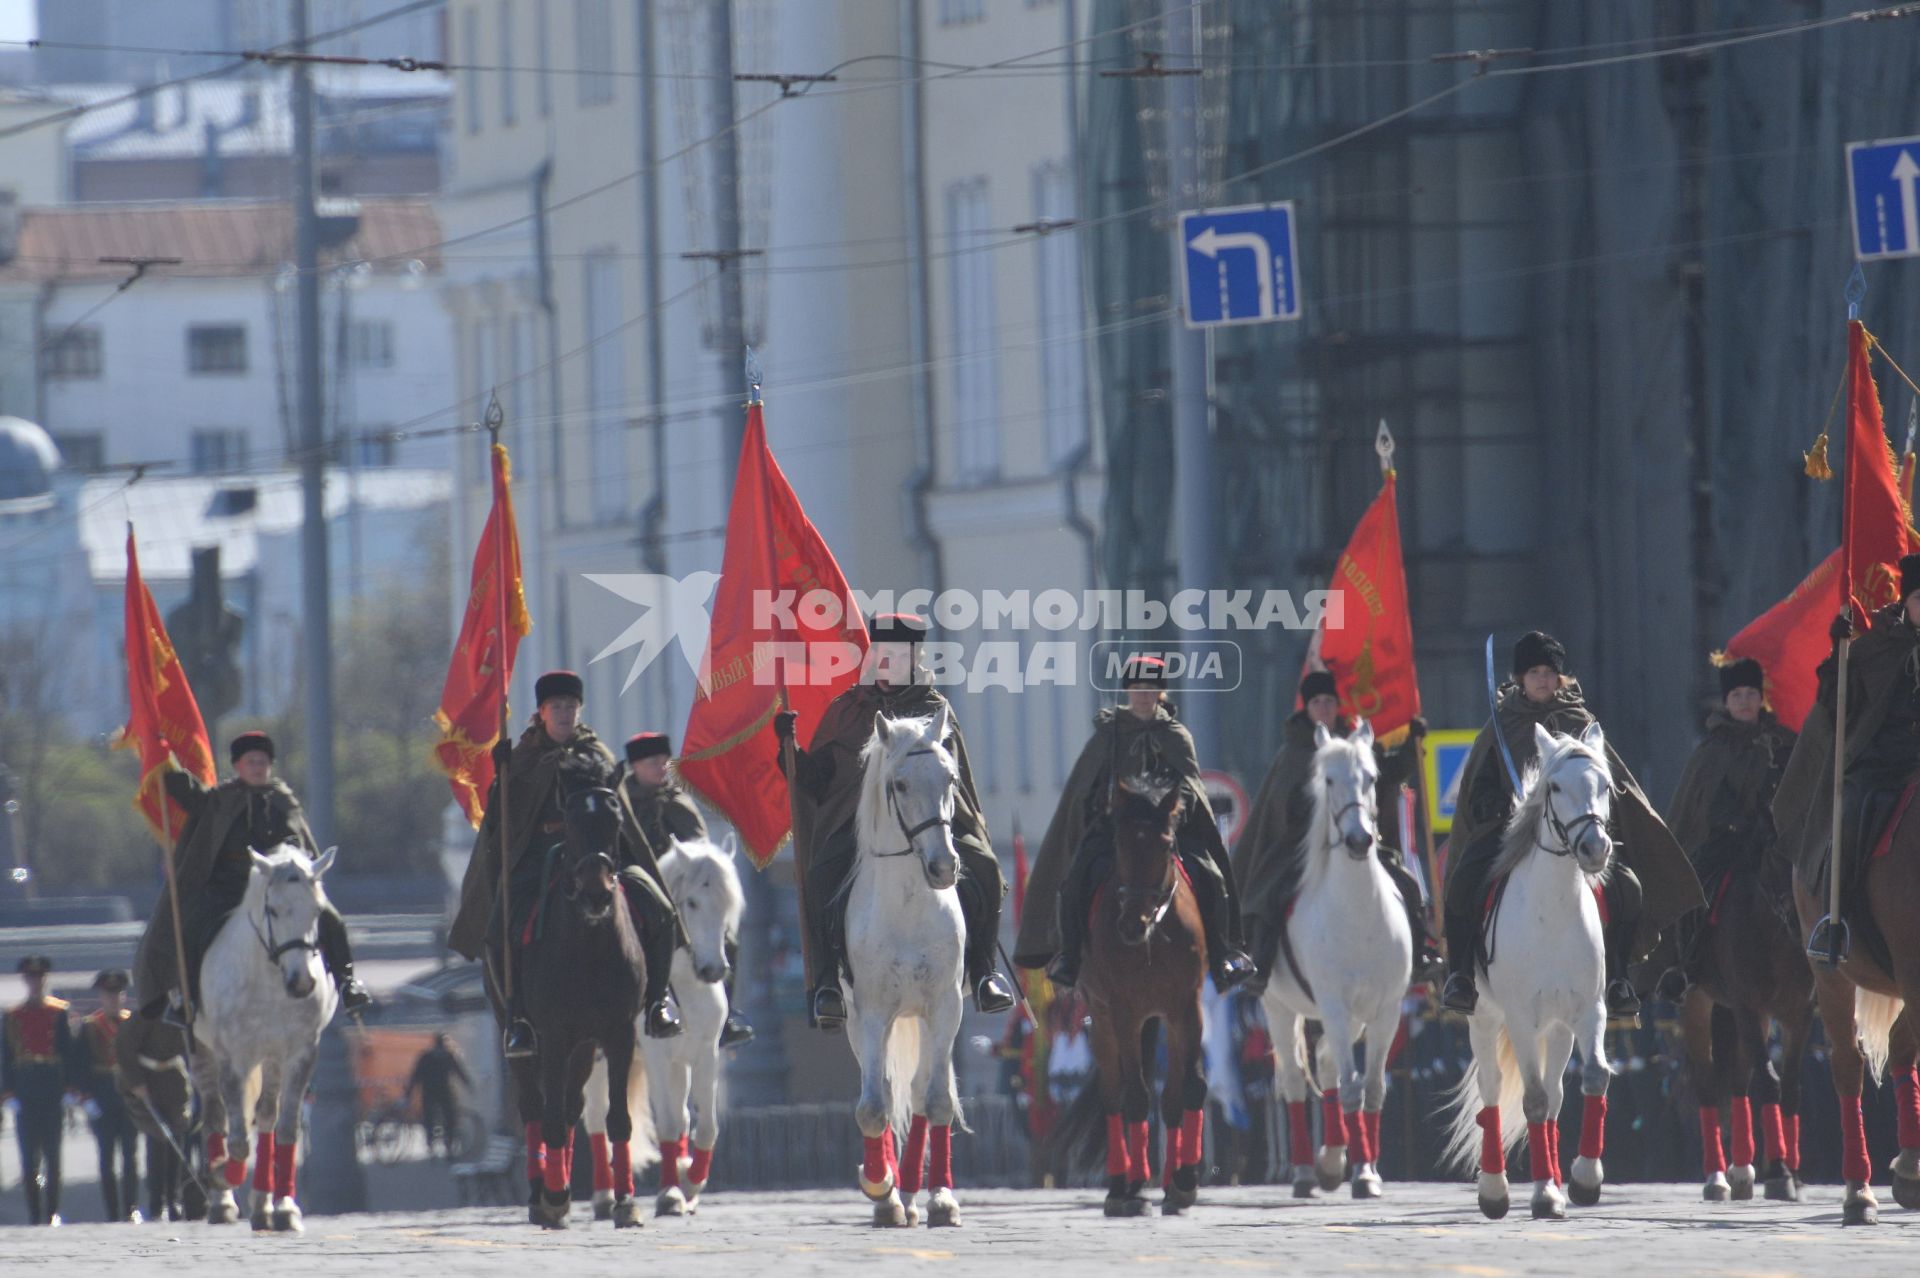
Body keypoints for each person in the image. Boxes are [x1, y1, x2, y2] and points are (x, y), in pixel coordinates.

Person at [1439, 632, 1702, 1019]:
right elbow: (1479, 785)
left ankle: (1616, 979)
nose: (1543, 679)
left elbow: (1609, 782)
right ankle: (1460, 975)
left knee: (1627, 888)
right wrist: (1492, 804)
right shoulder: (1500, 725)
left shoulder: (1581, 722)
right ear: (1520, 678)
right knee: (1463, 881)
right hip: (1509, 830)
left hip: (1575, 832)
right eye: (1534, 672)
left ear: (1560, 678)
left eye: (1549, 672)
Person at [776, 612, 1015, 1030]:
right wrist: (790, 750)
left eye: (897, 655)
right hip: (860, 826)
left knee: (988, 870)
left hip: (933, 820)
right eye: (881, 654)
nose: (888, 663)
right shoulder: (847, 710)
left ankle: (983, 973)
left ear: (913, 658)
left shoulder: (935, 709)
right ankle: (829, 983)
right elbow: (817, 784)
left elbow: (957, 780)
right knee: (818, 879)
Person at [450, 670, 684, 1057]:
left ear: (580, 710)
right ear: (541, 712)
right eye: (556, 707)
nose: (564, 713)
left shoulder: (598, 754)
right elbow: (501, 818)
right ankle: (518, 1018)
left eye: (571, 706)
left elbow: (617, 813)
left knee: (660, 908)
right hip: (538, 856)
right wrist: (502, 777)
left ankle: (657, 1003)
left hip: (600, 858)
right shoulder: (522, 757)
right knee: (497, 925)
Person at [1013, 654, 1255, 992]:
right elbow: (1085, 789)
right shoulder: (1107, 736)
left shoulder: (1176, 736)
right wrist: (1106, 805)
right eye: (1137, 687)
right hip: (1115, 835)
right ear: (1129, 691)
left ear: (1160, 692)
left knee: (1211, 876)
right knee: (1076, 879)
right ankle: (1069, 955)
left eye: (1150, 688)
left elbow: (1190, 786)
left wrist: (1173, 809)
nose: (1143, 694)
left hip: (1168, 833)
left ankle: (1223, 953)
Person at [132, 730, 370, 1023]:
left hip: (276, 887)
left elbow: (298, 843)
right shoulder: (221, 799)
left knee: (331, 918)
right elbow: (190, 796)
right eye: (251, 762)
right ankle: (187, 997)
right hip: (228, 888)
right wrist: (161, 759)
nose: (258, 768)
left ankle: (348, 984)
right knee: (190, 925)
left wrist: (289, 859)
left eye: (262, 762)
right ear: (238, 766)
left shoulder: (283, 801)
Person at [1233, 670, 1444, 991]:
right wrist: (1308, 808)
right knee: (1270, 891)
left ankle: (1417, 956)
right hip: (1302, 844)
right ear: (1307, 707)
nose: (1324, 707)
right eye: (1317, 702)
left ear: (1337, 705)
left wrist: (1410, 745)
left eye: (1329, 701)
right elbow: (1279, 803)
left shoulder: (1355, 744)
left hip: (1355, 838)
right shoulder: (1295, 751)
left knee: (1405, 883)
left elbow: (1384, 776)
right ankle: (1259, 961)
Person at [1774, 554, 1920, 946]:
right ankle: (1837, 922)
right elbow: (1837, 702)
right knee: (1849, 818)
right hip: (1882, 765)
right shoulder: (1878, 645)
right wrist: (1840, 655)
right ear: (1906, 601)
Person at [1658, 658, 1796, 998]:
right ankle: (1687, 963)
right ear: (1726, 701)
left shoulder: (1783, 742)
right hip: (1727, 845)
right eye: (1737, 695)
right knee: (1699, 890)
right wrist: (1732, 819)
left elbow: (1799, 788)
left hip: (1777, 842)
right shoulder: (1711, 751)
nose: (1745, 701)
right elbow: (1698, 804)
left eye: (1751, 693)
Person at [621, 731, 752, 1049]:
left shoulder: (678, 803)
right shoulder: (620, 803)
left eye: (665, 762)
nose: (662, 769)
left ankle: (725, 1014)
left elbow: (701, 850)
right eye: (653, 763)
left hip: (681, 897)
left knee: (727, 937)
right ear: (635, 766)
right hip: (632, 892)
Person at [2, 955, 72, 1225]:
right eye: (31, 978)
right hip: (25, 1085)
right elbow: (6, 1057)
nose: (35, 982)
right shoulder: (12, 1015)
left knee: (53, 1155)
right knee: (29, 1155)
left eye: (39, 977)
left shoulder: (59, 1012)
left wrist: (69, 1088)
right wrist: (7, 1094)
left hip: (52, 1085)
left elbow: (67, 1053)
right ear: (25, 980)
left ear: (45, 980)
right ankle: (34, 1213)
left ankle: (52, 1210)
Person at [70, 970, 140, 1221]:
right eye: (108, 994)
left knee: (131, 1157)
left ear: (123, 996)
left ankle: (131, 1207)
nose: (113, 999)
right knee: (107, 1158)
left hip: (129, 1097)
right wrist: (85, 1098)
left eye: (117, 994)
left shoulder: (132, 1024)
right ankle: (112, 1211)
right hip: (102, 1097)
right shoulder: (89, 1027)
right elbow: (79, 1066)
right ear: (102, 996)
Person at [114, 1014, 194, 1222]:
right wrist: (136, 1081)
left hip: (174, 1081)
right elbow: (124, 1047)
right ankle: (157, 1202)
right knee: (157, 1141)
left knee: (177, 1138)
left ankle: (174, 1198)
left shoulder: (181, 1014)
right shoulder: (144, 1015)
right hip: (148, 1082)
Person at [406, 1033, 473, 1159]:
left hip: (428, 1092)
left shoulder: (425, 1056)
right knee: (449, 1118)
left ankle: (431, 1145)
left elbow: (416, 1075)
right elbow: (459, 1072)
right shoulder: (447, 1056)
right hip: (444, 1091)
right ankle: (448, 1146)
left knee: (429, 1119)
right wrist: (468, 1085)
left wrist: (409, 1092)